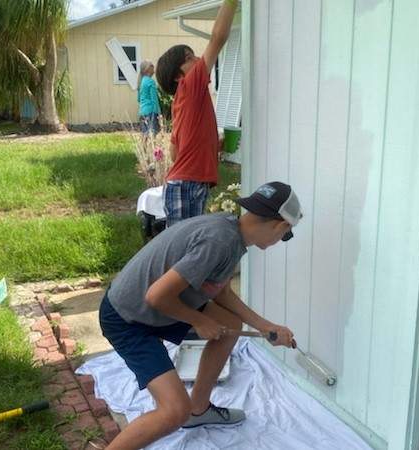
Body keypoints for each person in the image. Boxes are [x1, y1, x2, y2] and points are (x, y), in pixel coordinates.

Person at [100, 182, 303, 450]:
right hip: (129, 317)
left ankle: (199, 409)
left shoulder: (232, 232)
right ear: (280, 226)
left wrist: (266, 327)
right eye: (286, 235)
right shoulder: (220, 241)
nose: (281, 241)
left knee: (230, 323)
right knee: (174, 411)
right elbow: (156, 296)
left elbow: (221, 293)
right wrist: (198, 320)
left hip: (158, 305)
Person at [156, 0, 238, 227]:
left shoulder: (183, 102)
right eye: (189, 57)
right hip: (186, 186)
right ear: (177, 76)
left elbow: (175, 152)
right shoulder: (189, 86)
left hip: (185, 185)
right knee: (186, 250)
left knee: (188, 247)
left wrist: (212, 145)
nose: (197, 60)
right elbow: (217, 39)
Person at [137, 60, 161, 137]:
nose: (154, 69)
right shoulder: (151, 82)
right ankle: (153, 148)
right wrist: (158, 113)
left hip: (142, 111)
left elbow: (139, 99)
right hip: (151, 111)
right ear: (147, 69)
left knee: (145, 134)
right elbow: (154, 99)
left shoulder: (141, 82)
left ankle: (143, 149)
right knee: (153, 133)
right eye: (152, 67)